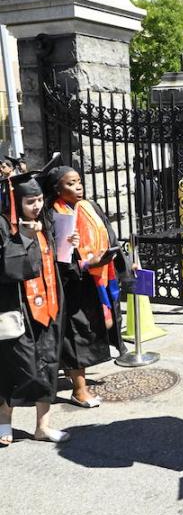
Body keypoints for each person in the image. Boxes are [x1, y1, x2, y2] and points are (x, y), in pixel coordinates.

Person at [44, 165, 129, 409]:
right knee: (76, 335)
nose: (78, 187)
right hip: (71, 284)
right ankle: (79, 390)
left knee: (90, 331)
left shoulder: (90, 206)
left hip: (97, 279)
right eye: (70, 184)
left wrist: (119, 261)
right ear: (57, 189)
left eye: (79, 181)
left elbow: (109, 236)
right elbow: (54, 256)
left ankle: (76, 382)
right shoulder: (53, 215)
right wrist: (84, 263)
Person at [0, 170, 73, 445]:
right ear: (16, 202)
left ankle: (43, 426)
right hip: (18, 309)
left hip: (49, 305)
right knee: (14, 368)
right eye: (30, 201)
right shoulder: (4, 226)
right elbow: (10, 269)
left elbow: (54, 264)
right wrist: (24, 238)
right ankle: (4, 421)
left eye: (40, 199)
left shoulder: (45, 223)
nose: (37, 206)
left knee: (48, 366)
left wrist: (69, 247)